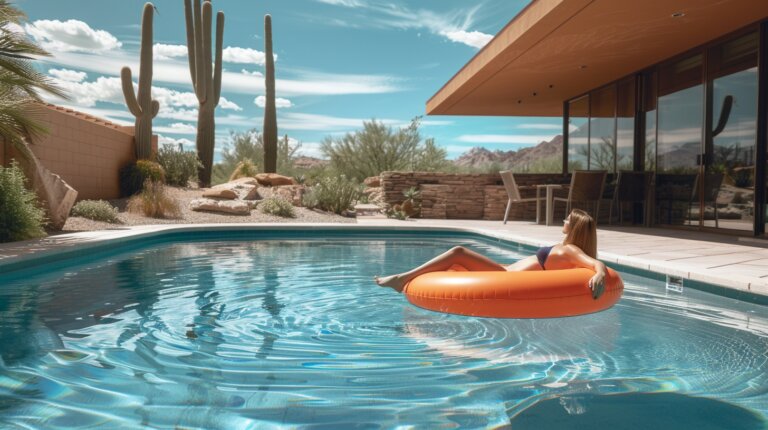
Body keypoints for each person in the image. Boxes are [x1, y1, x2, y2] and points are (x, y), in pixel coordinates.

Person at [375, 209, 607, 299]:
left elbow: (596, 263)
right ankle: (402, 278)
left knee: (458, 252)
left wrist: (600, 274)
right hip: (505, 271)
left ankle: (402, 278)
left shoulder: (570, 250)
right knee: (456, 263)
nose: (564, 220)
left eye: (568, 219)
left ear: (575, 227)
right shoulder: (566, 248)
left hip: (506, 276)